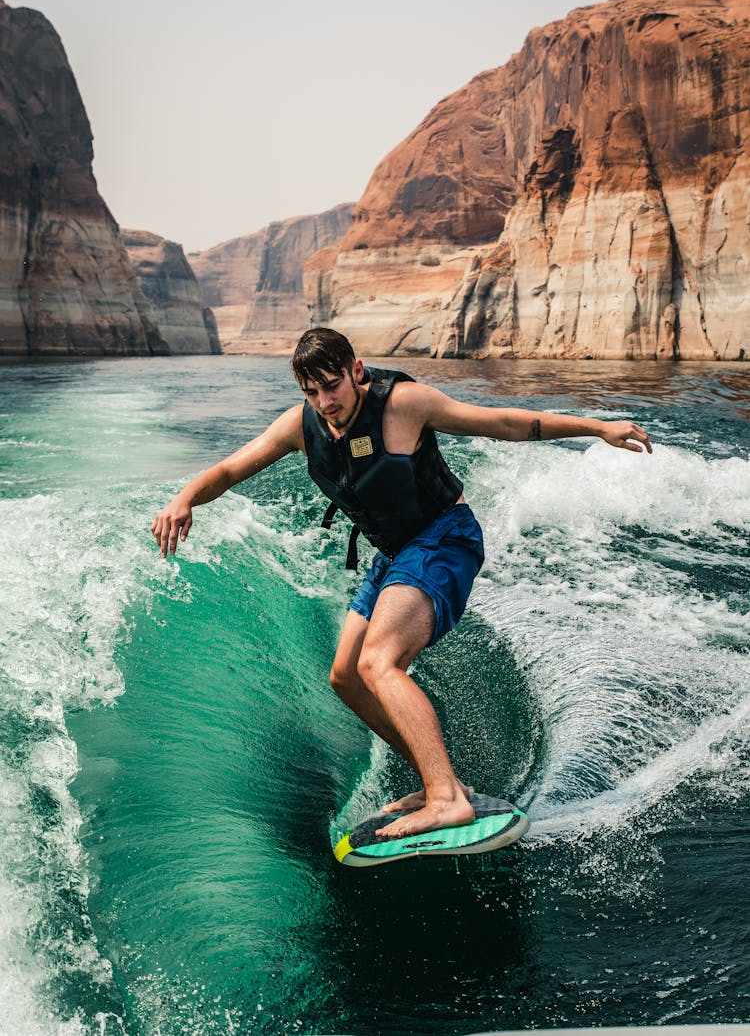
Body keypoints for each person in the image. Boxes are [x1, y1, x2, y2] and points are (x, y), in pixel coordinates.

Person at [151, 327, 652, 839]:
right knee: (346, 676)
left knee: (379, 661)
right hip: (392, 555)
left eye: (332, 386)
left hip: (443, 538)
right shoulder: (301, 426)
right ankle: (445, 782)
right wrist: (185, 497)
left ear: (357, 371)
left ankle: (445, 800)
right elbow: (233, 466)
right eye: (312, 392)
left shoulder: (405, 404)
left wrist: (596, 427)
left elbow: (503, 422)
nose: (325, 402)